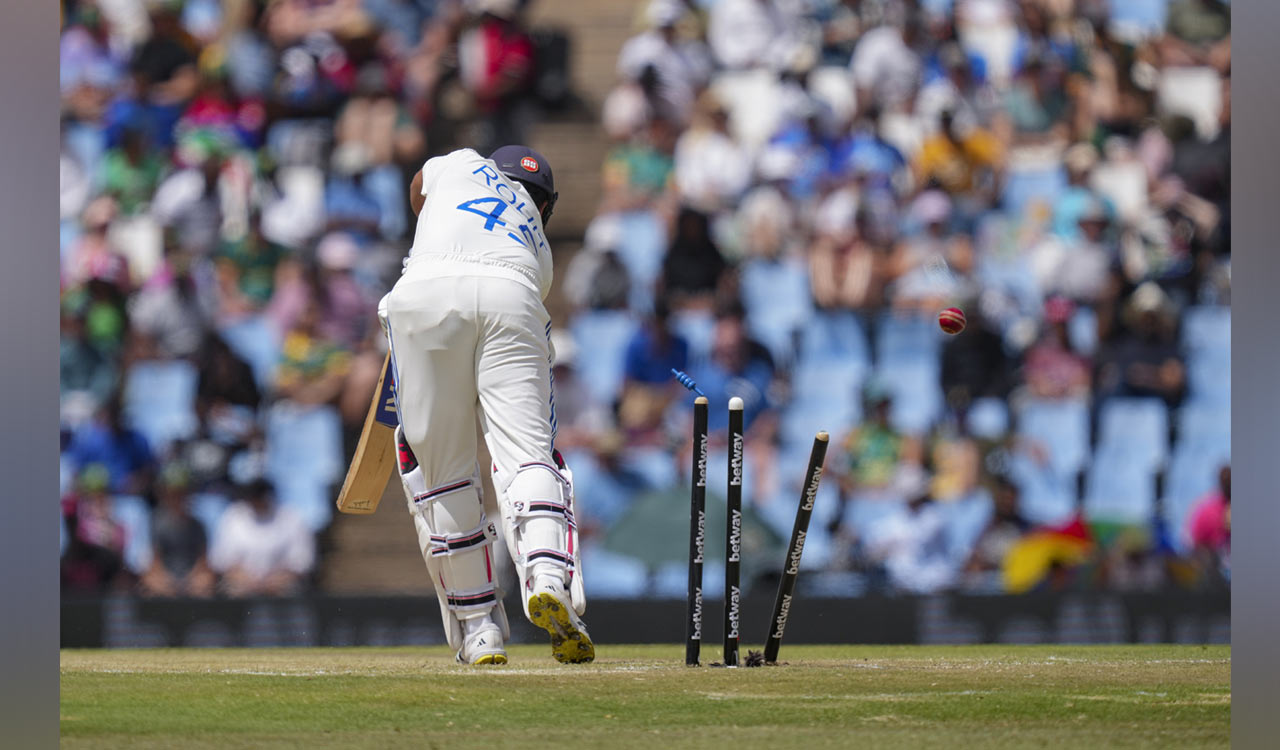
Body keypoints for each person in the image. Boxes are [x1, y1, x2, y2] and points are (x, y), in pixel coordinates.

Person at [380, 145, 593, 665]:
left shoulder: (459, 161)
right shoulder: (538, 246)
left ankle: (480, 630)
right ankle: (547, 576)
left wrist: (433, 226)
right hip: (511, 292)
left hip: (421, 293)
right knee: (526, 454)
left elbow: (416, 189)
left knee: (439, 471)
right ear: (546, 205)